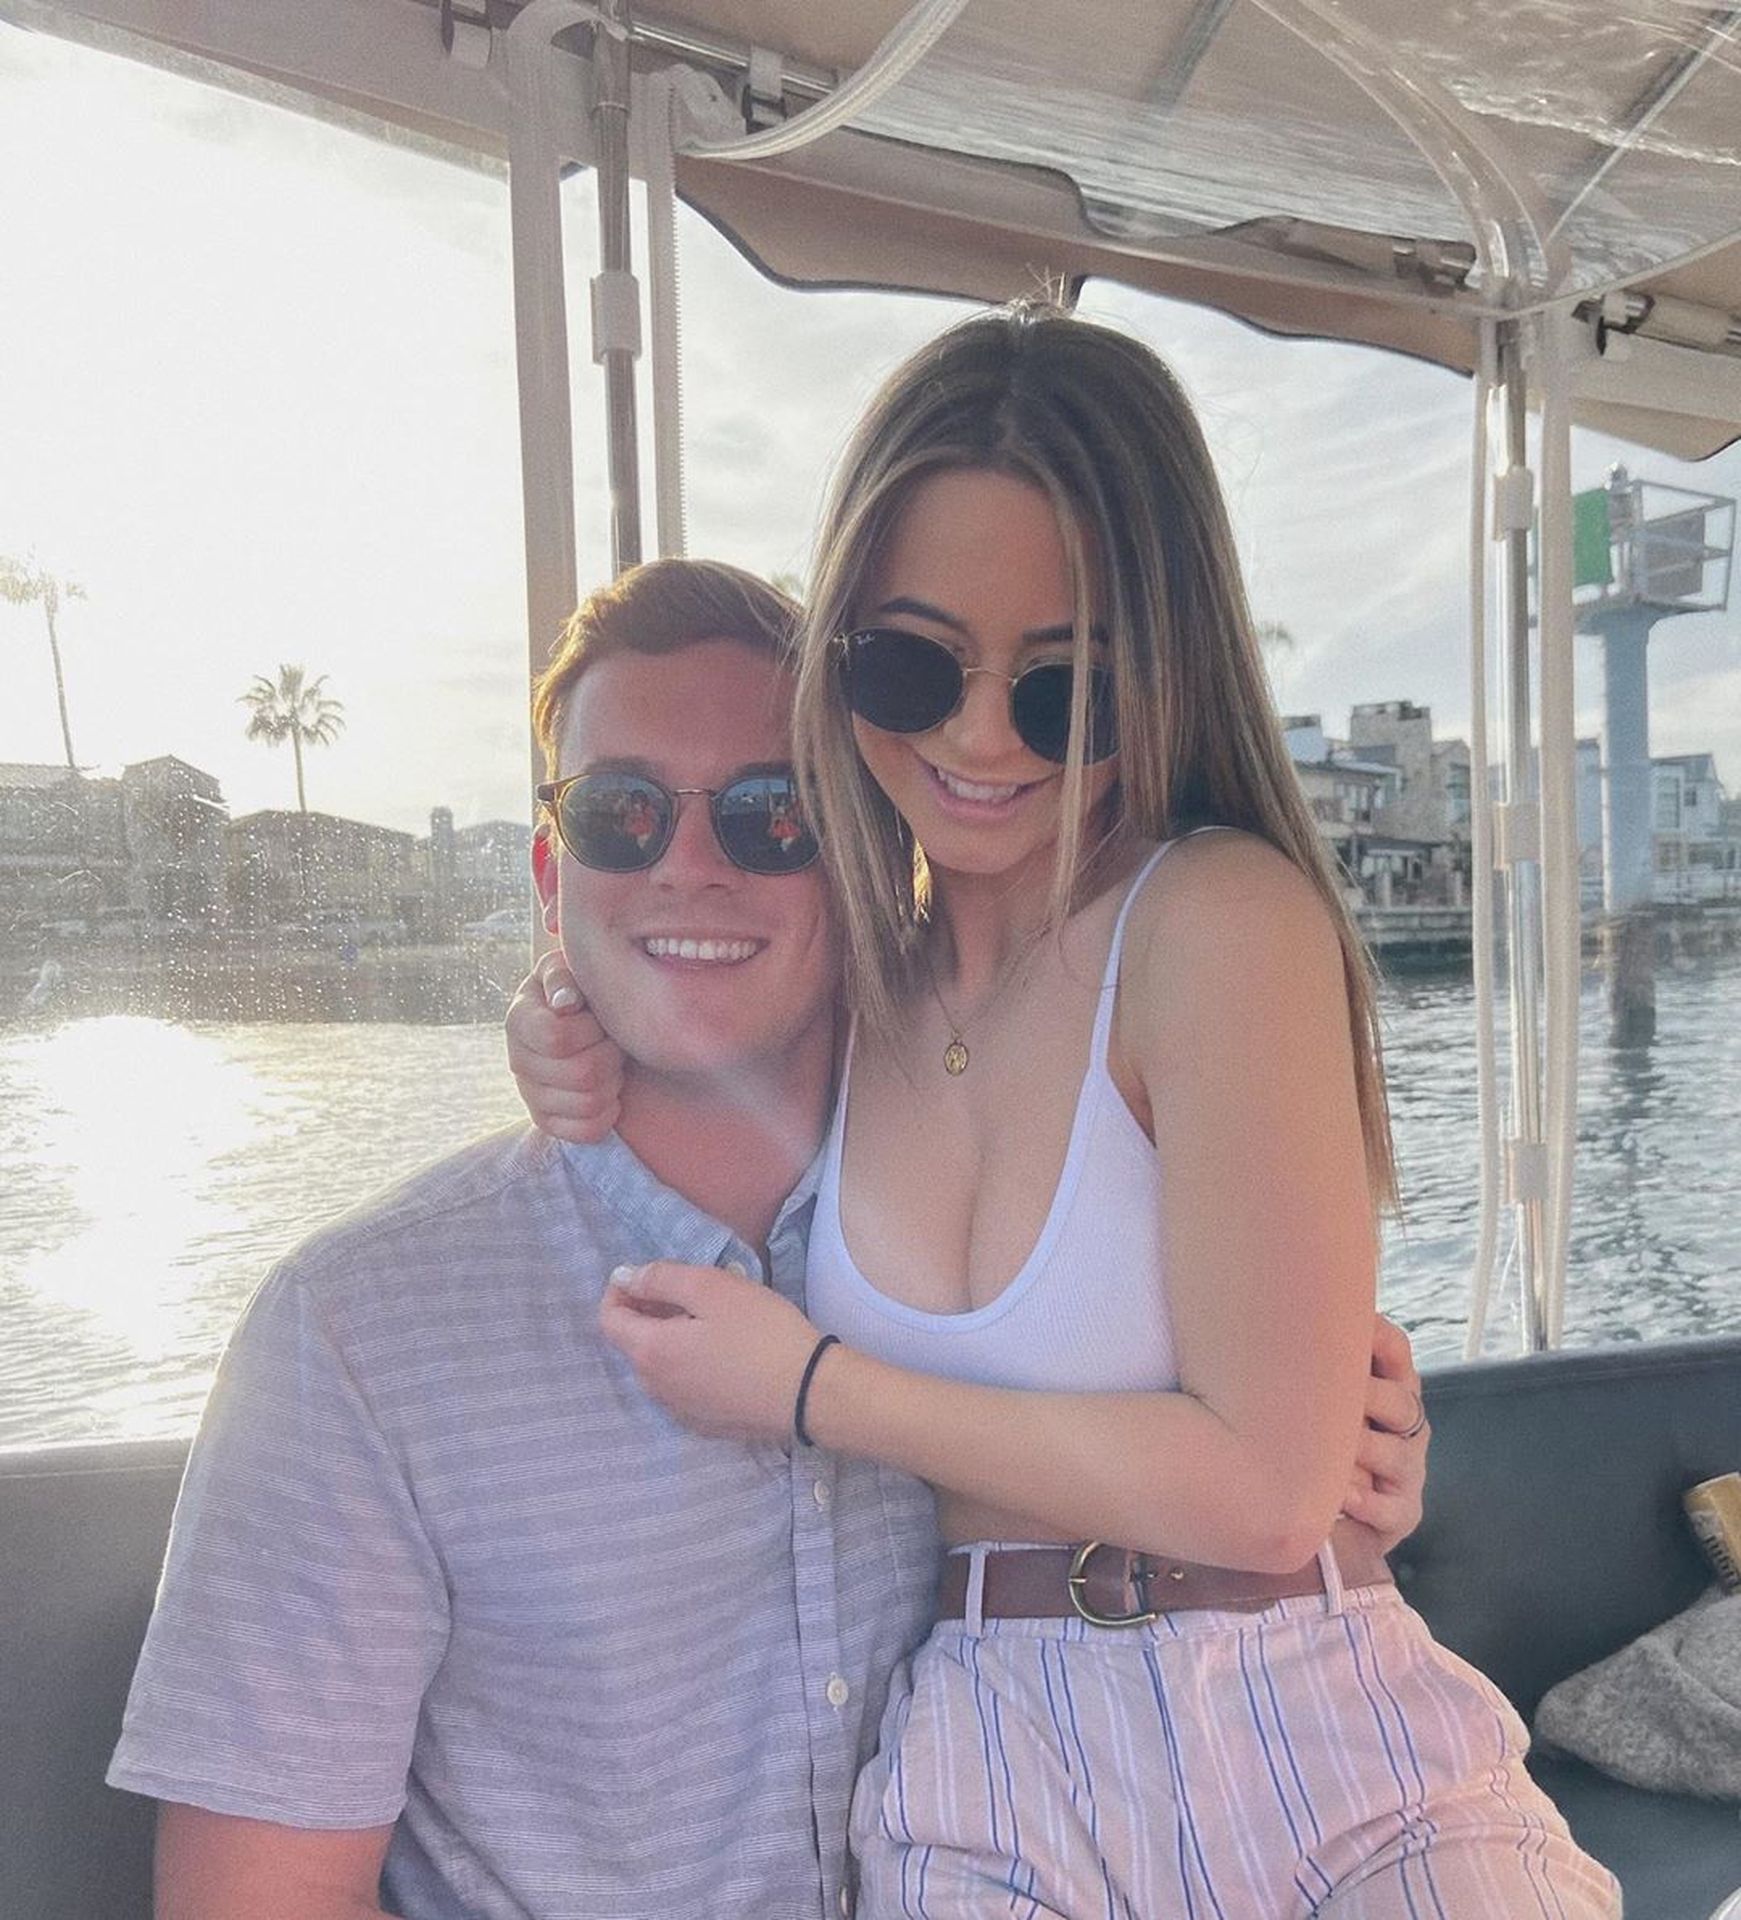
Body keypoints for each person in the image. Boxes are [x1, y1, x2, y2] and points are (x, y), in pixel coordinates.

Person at [109, 556, 1426, 1920]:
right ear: (555, 872)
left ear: (866, 864)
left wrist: (1344, 1436)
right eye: (620, 814)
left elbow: (1255, 1455)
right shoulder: (357, 1335)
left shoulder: (1019, 1258)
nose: (687, 866)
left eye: (771, 815)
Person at [508, 307, 1618, 1917]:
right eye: (908, 663)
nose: (975, 738)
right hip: (988, 1761)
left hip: (1314, 1722)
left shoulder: (1213, 923)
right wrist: (551, 1015)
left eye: (1060, 685)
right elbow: (672, 972)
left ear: (1162, 665)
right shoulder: (857, 986)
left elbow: (1263, 1494)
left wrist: (812, 1388)